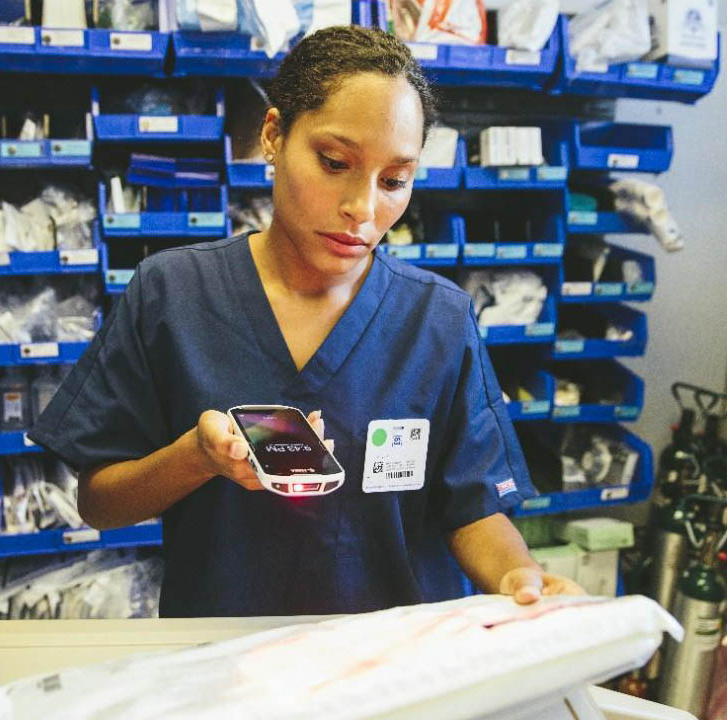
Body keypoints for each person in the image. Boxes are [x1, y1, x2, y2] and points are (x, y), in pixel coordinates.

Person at [29, 24, 582, 617]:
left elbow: (474, 508)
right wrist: (197, 455)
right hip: (226, 662)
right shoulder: (173, 293)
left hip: (392, 669)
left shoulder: (438, 320)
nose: (363, 209)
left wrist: (519, 577)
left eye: (395, 180)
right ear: (273, 136)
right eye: (334, 161)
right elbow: (99, 501)